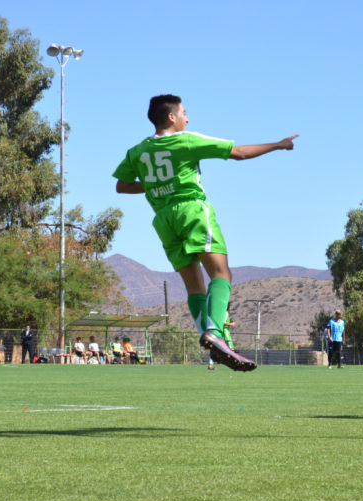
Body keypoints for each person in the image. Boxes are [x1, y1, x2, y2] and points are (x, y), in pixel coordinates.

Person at [112, 94, 297, 372]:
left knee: (194, 287)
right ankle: (216, 334)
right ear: (172, 117)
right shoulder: (185, 140)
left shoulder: (137, 151)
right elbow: (239, 153)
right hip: (192, 211)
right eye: (185, 112)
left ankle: (215, 343)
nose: (188, 118)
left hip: (163, 219)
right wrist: (278, 145)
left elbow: (122, 186)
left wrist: (157, 184)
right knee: (222, 274)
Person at [209, 303, 235, 370]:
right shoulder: (225, 313)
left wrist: (230, 321)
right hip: (225, 332)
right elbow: (223, 323)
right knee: (231, 348)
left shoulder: (221, 314)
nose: (231, 308)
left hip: (218, 332)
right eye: (230, 306)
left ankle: (211, 364)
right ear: (228, 307)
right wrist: (231, 324)